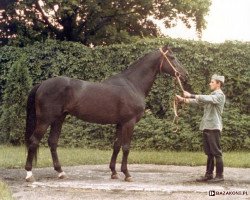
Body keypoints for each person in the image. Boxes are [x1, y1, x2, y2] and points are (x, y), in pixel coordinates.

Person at [176, 74, 226, 182]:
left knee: (216, 152)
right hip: (207, 127)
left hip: (214, 127)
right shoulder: (211, 95)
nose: (210, 83)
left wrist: (191, 95)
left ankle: (219, 176)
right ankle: (208, 175)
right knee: (209, 153)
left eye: (212, 82)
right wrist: (183, 100)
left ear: (218, 84)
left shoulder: (219, 95)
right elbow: (198, 101)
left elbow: (206, 98)